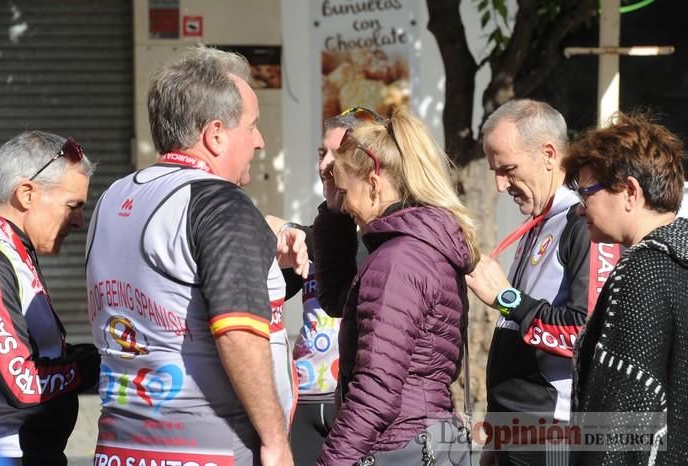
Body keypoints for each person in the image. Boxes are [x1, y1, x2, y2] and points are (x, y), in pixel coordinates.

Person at [85, 46, 304, 466]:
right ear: (216, 134)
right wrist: (276, 441)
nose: (259, 142)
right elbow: (237, 331)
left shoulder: (114, 197)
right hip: (212, 448)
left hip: (121, 447)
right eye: (253, 126)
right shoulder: (220, 203)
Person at [313, 106, 479, 465]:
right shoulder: (421, 245)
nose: (346, 207)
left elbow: (376, 387)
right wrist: (331, 212)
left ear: (373, 183)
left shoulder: (398, 261)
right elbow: (339, 300)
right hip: (426, 437)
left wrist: (332, 461)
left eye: (345, 192)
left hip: (401, 445)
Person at [465, 99, 621, 465]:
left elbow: (586, 333)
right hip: (511, 430)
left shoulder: (581, 225)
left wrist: (506, 298)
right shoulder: (538, 220)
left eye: (508, 169)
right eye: (495, 172)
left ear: (549, 154)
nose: (501, 186)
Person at [562, 112, 688, 465]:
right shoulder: (679, 258)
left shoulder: (642, 272)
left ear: (630, 191)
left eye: (586, 192)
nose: (579, 209)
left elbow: (620, 420)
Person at [0, 131, 100, 465]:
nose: (79, 221)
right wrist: (88, 367)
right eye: (72, 206)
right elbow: (21, 383)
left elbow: (38, 350)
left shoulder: (13, 248)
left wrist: (77, 356)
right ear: (26, 194)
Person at [266, 109, 369, 466]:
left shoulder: (385, 240)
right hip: (306, 401)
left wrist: (301, 233)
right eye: (320, 154)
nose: (324, 164)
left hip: (357, 404)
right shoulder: (316, 237)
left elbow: (353, 253)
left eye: (336, 155)